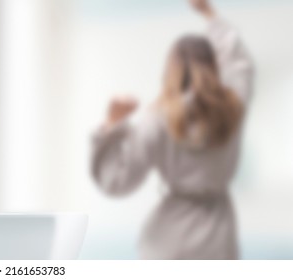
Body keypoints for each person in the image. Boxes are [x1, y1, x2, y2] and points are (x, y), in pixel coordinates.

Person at [90, 0, 254, 259]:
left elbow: (117, 182)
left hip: (168, 244)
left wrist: (111, 125)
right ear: (214, 65)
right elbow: (239, 61)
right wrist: (209, 13)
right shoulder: (234, 107)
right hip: (219, 241)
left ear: (171, 71)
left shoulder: (159, 118)